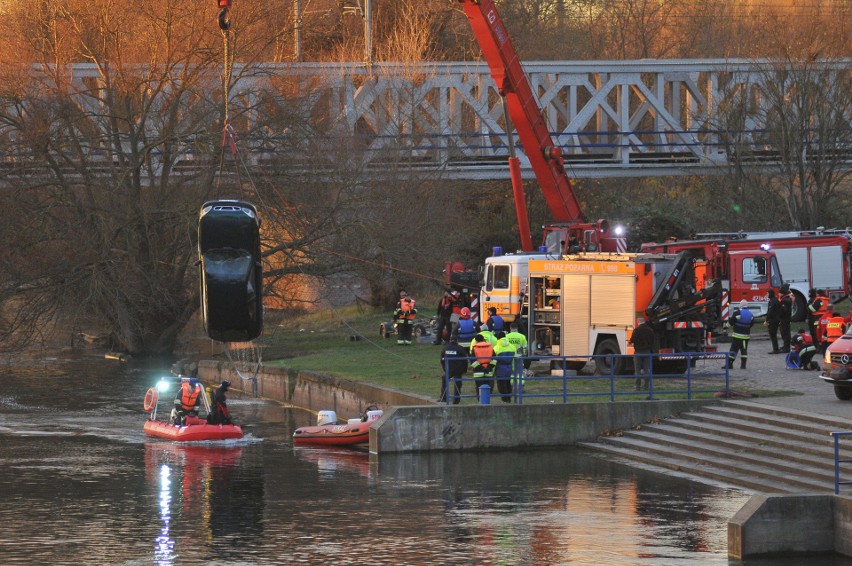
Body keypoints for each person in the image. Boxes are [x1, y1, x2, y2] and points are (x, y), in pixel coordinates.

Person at [439, 332, 468, 404]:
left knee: (444, 381)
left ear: (450, 340)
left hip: (449, 369)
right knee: (458, 384)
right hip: (458, 370)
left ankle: (444, 397)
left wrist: (445, 369)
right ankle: (456, 400)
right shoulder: (460, 349)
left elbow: (442, 360)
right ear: (457, 341)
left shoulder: (445, 348)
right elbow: (465, 361)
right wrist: (464, 370)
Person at [724, 300, 754, 370]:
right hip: (746, 336)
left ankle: (729, 364)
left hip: (737, 336)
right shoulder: (750, 314)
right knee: (744, 350)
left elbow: (731, 322)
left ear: (740, 305)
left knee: (733, 350)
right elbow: (751, 324)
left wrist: (725, 326)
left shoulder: (737, 313)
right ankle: (743, 365)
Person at [630, 318, 657, 390]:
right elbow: (653, 341)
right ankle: (646, 386)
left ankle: (637, 387)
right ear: (644, 322)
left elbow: (632, 340)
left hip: (638, 352)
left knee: (637, 370)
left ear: (638, 322)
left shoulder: (636, 330)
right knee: (647, 370)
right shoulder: (650, 330)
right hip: (647, 352)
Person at [469, 334, 495, 402]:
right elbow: (494, 359)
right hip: (488, 371)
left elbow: (473, 361)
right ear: (483, 339)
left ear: (476, 341)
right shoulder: (490, 347)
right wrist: (488, 367)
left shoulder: (474, 348)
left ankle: (480, 402)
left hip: (478, 372)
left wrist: (481, 368)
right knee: (487, 389)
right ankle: (487, 402)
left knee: (479, 388)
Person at [493, 331, 515, 403]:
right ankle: (508, 399)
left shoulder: (496, 347)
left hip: (500, 368)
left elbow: (493, 359)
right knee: (508, 383)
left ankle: (505, 399)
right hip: (509, 367)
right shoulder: (512, 346)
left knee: (501, 384)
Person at [778, 283, 793, 353]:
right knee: (783, 332)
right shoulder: (786, 298)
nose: (779, 294)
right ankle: (785, 346)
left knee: (785, 333)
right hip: (785, 318)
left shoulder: (786, 300)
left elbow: (784, 311)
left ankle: (786, 348)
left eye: (780, 293)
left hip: (785, 319)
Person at [765, 289, 781, 354]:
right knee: (773, 334)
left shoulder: (772, 301)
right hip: (776, 319)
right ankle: (775, 348)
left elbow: (770, 312)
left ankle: (775, 349)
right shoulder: (775, 300)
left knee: (772, 334)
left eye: (767, 293)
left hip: (773, 320)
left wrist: (766, 320)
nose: (766, 295)